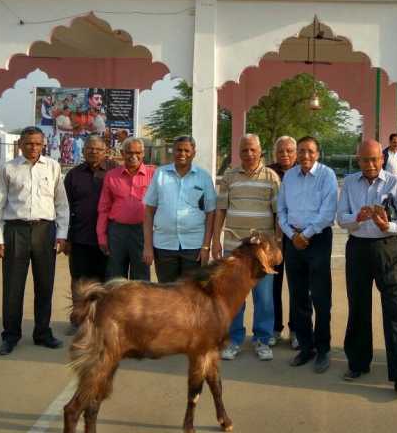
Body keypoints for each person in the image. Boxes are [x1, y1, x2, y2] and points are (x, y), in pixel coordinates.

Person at [337, 139, 397, 395]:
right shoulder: (350, 182)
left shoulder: (394, 183)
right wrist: (357, 218)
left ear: (381, 160)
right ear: (357, 159)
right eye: (364, 160)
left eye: (374, 159)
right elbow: (341, 218)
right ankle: (358, 363)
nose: (370, 165)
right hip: (358, 249)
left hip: (387, 249)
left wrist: (388, 227)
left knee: (396, 312)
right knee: (359, 307)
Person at [0, 126, 69, 356]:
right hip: (16, 231)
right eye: (28, 143)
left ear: (43, 145)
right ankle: (10, 335)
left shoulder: (53, 167)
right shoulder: (9, 168)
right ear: (20, 145)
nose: (33, 147)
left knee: (45, 285)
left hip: (45, 231)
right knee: (13, 286)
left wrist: (62, 234)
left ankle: (42, 333)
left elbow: (61, 203)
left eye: (37, 143)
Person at [214, 134, 281, 362]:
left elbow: (278, 214)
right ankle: (233, 341)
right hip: (234, 249)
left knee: (264, 298)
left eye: (252, 150)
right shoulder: (230, 177)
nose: (249, 154)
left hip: (262, 252)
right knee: (234, 297)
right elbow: (221, 210)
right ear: (238, 152)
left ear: (260, 151)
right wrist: (215, 241)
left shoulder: (271, 177)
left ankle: (262, 340)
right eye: (244, 150)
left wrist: (277, 245)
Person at [278, 136, 338, 373]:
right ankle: (306, 347)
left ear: (318, 153)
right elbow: (281, 209)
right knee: (298, 296)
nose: (305, 156)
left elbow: (328, 210)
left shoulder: (327, 175)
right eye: (301, 151)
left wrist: (308, 234)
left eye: (310, 151)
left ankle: (323, 349)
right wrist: (291, 234)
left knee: (321, 297)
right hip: (293, 240)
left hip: (318, 240)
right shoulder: (290, 177)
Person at [142, 135, 217, 283]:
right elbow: (149, 211)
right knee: (167, 293)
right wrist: (148, 246)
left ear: (193, 153)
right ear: (173, 151)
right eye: (178, 150)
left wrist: (206, 246)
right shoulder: (160, 174)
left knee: (192, 293)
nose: (182, 154)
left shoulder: (204, 177)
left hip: (194, 246)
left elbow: (211, 213)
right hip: (164, 246)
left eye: (186, 150)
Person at [63, 134, 114, 335]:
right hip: (79, 237)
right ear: (83, 151)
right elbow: (64, 208)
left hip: (108, 239)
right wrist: (66, 237)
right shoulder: (73, 175)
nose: (93, 152)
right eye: (89, 149)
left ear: (106, 151)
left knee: (106, 281)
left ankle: (102, 321)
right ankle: (79, 319)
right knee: (79, 281)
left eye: (98, 149)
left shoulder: (114, 172)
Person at [96, 137, 155, 281]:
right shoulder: (111, 176)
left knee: (141, 277)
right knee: (115, 276)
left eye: (138, 152)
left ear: (143, 153)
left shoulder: (153, 175)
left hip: (142, 231)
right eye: (129, 152)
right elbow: (104, 208)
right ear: (122, 153)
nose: (133, 156)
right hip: (117, 232)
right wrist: (101, 236)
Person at [267, 135, 298, 348]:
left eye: (289, 151)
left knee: (297, 285)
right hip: (272, 239)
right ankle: (274, 329)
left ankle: (296, 330)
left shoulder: (301, 172)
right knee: (273, 286)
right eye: (280, 151)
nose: (285, 155)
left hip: (297, 238)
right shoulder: (268, 173)